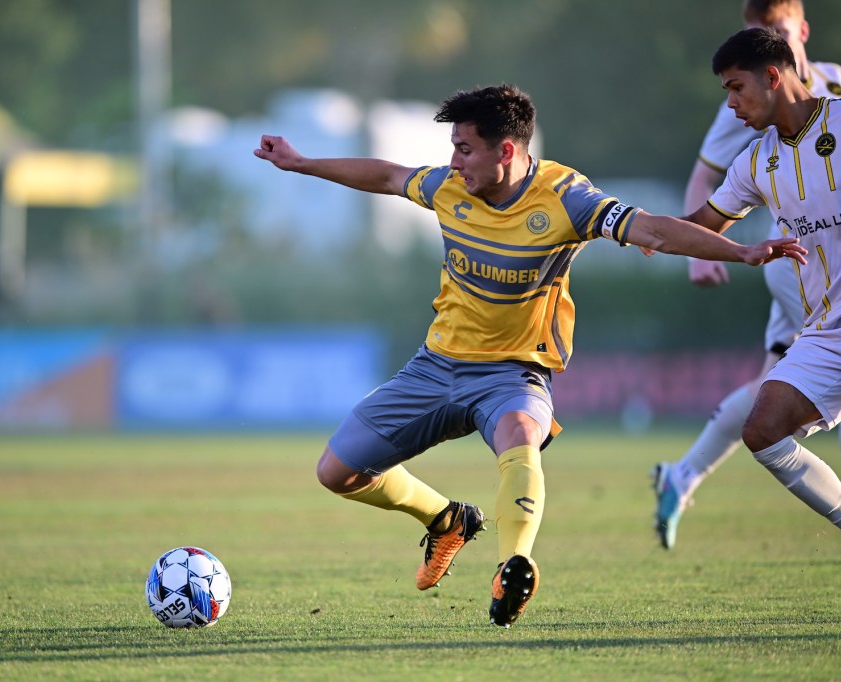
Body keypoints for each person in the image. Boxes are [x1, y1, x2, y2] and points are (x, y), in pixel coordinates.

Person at [253, 84, 805, 627]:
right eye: (453, 148)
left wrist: (741, 251)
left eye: (465, 149)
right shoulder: (449, 187)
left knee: (520, 433)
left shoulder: (567, 198)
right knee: (337, 472)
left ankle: (512, 564)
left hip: (513, 372)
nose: (453, 161)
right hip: (437, 363)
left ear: (508, 150)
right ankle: (447, 520)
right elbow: (386, 175)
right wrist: (301, 164)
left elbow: (653, 230)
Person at [651, 0, 841, 551]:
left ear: (774, 74)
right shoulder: (755, 159)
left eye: (735, 88)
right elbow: (704, 219)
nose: (730, 103)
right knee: (763, 429)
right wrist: (631, 228)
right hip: (824, 317)